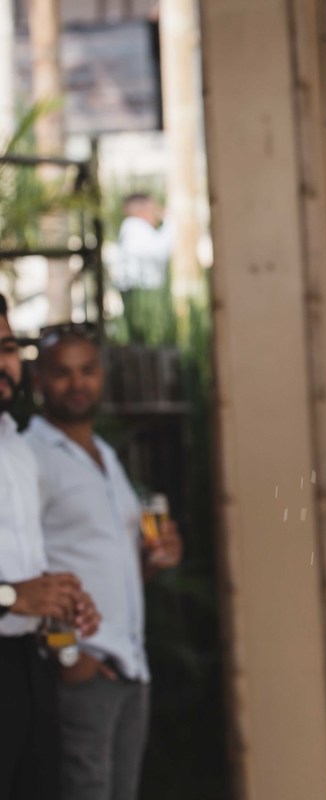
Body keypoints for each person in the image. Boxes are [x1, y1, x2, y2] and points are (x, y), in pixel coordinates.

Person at [24, 322, 183, 800]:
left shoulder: (107, 456)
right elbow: (19, 565)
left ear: (102, 376)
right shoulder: (30, 458)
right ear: (39, 383)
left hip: (131, 664)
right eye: (62, 373)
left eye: (87, 370)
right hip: (82, 669)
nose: (77, 384)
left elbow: (110, 563)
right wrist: (72, 657)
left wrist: (155, 559)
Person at [0, 294, 101, 799]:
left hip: (29, 666)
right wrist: (11, 597)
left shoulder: (15, 449)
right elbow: (13, 591)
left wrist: (58, 603)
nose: (2, 362)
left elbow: (27, 575)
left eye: (7, 348)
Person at [113, 194, 174, 344]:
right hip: (143, 291)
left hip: (142, 291)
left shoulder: (133, 228)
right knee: (149, 337)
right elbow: (160, 251)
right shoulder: (135, 227)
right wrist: (170, 223)